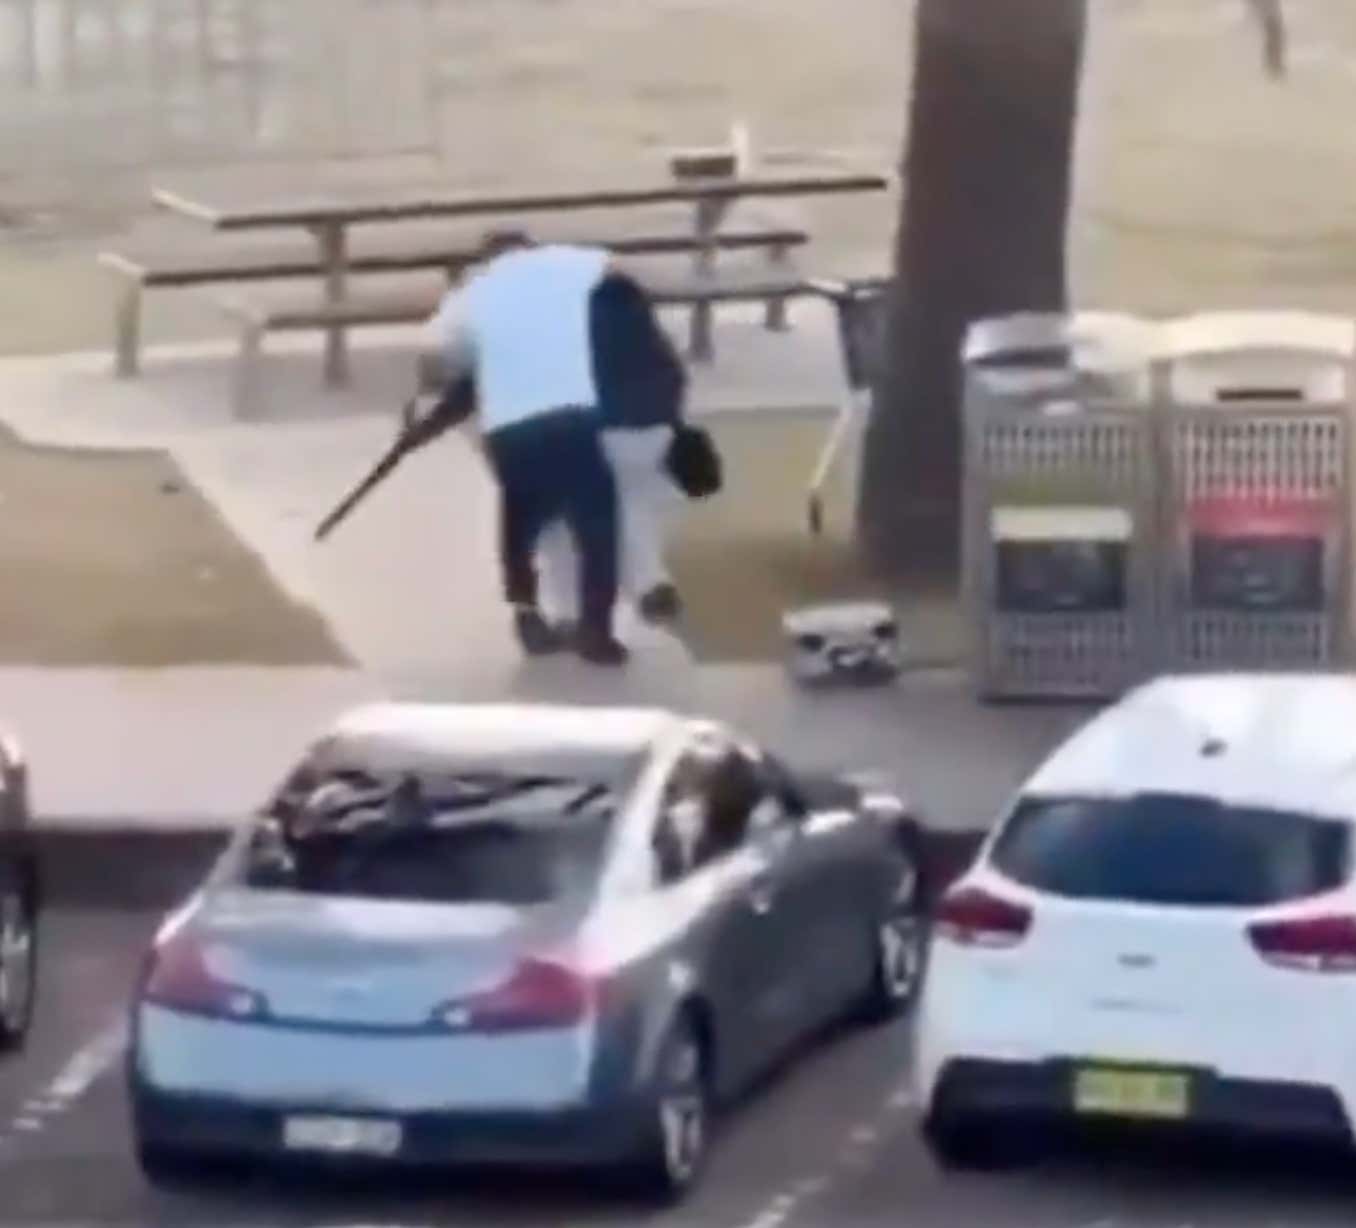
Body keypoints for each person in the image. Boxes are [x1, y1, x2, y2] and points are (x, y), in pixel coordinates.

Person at [418, 231, 628, 666]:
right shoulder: (562, 262)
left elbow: (435, 353)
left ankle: (526, 610)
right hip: (572, 414)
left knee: (520, 521)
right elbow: (617, 270)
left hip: (511, 424)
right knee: (597, 525)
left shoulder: (473, 293)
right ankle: (597, 630)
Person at [536, 267, 689, 627]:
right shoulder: (652, 343)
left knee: (559, 521)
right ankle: (651, 582)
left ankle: (569, 611)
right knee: (634, 505)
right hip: (649, 436)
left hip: (592, 438)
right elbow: (675, 388)